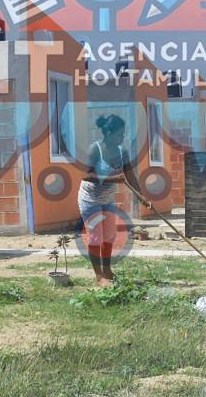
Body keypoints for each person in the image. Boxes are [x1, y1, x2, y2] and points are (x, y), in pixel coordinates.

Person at [78, 114, 142, 287]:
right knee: (95, 237)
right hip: (90, 199)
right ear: (108, 133)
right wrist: (112, 179)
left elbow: (130, 175)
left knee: (109, 236)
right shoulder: (95, 149)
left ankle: (107, 270)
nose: (122, 137)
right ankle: (99, 276)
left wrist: (141, 196)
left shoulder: (123, 152)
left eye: (124, 134)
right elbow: (86, 175)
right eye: (119, 134)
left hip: (107, 199)